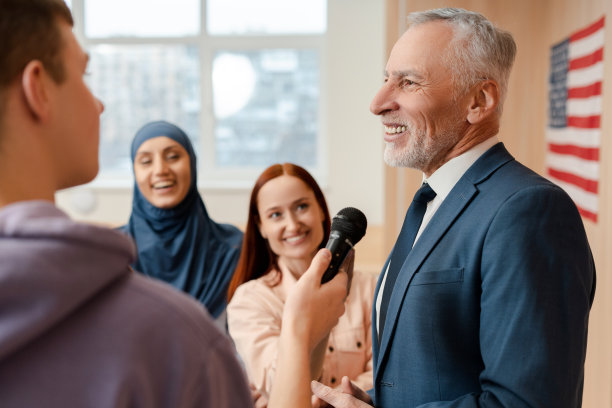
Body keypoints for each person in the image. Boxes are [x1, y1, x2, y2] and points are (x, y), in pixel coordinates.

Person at [307, 7, 596, 408]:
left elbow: (528, 403)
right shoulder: (434, 197)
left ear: (479, 100)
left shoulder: (529, 211)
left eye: (408, 82)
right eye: (385, 79)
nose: (377, 103)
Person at [0, 1, 251, 406]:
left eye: (173, 155)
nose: (98, 104)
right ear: (38, 89)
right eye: (85, 75)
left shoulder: (231, 256)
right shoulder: (181, 347)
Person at [227, 163, 376, 405]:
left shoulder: (368, 288)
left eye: (302, 206)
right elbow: (276, 383)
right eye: (276, 215)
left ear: (320, 208)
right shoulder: (249, 300)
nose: (293, 224)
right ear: (260, 226)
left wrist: (333, 397)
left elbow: (386, 372)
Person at [120, 120, 243, 324]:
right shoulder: (115, 254)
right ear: (135, 173)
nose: (160, 170)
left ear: (192, 164)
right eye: (146, 161)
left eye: (173, 157)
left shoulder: (234, 249)